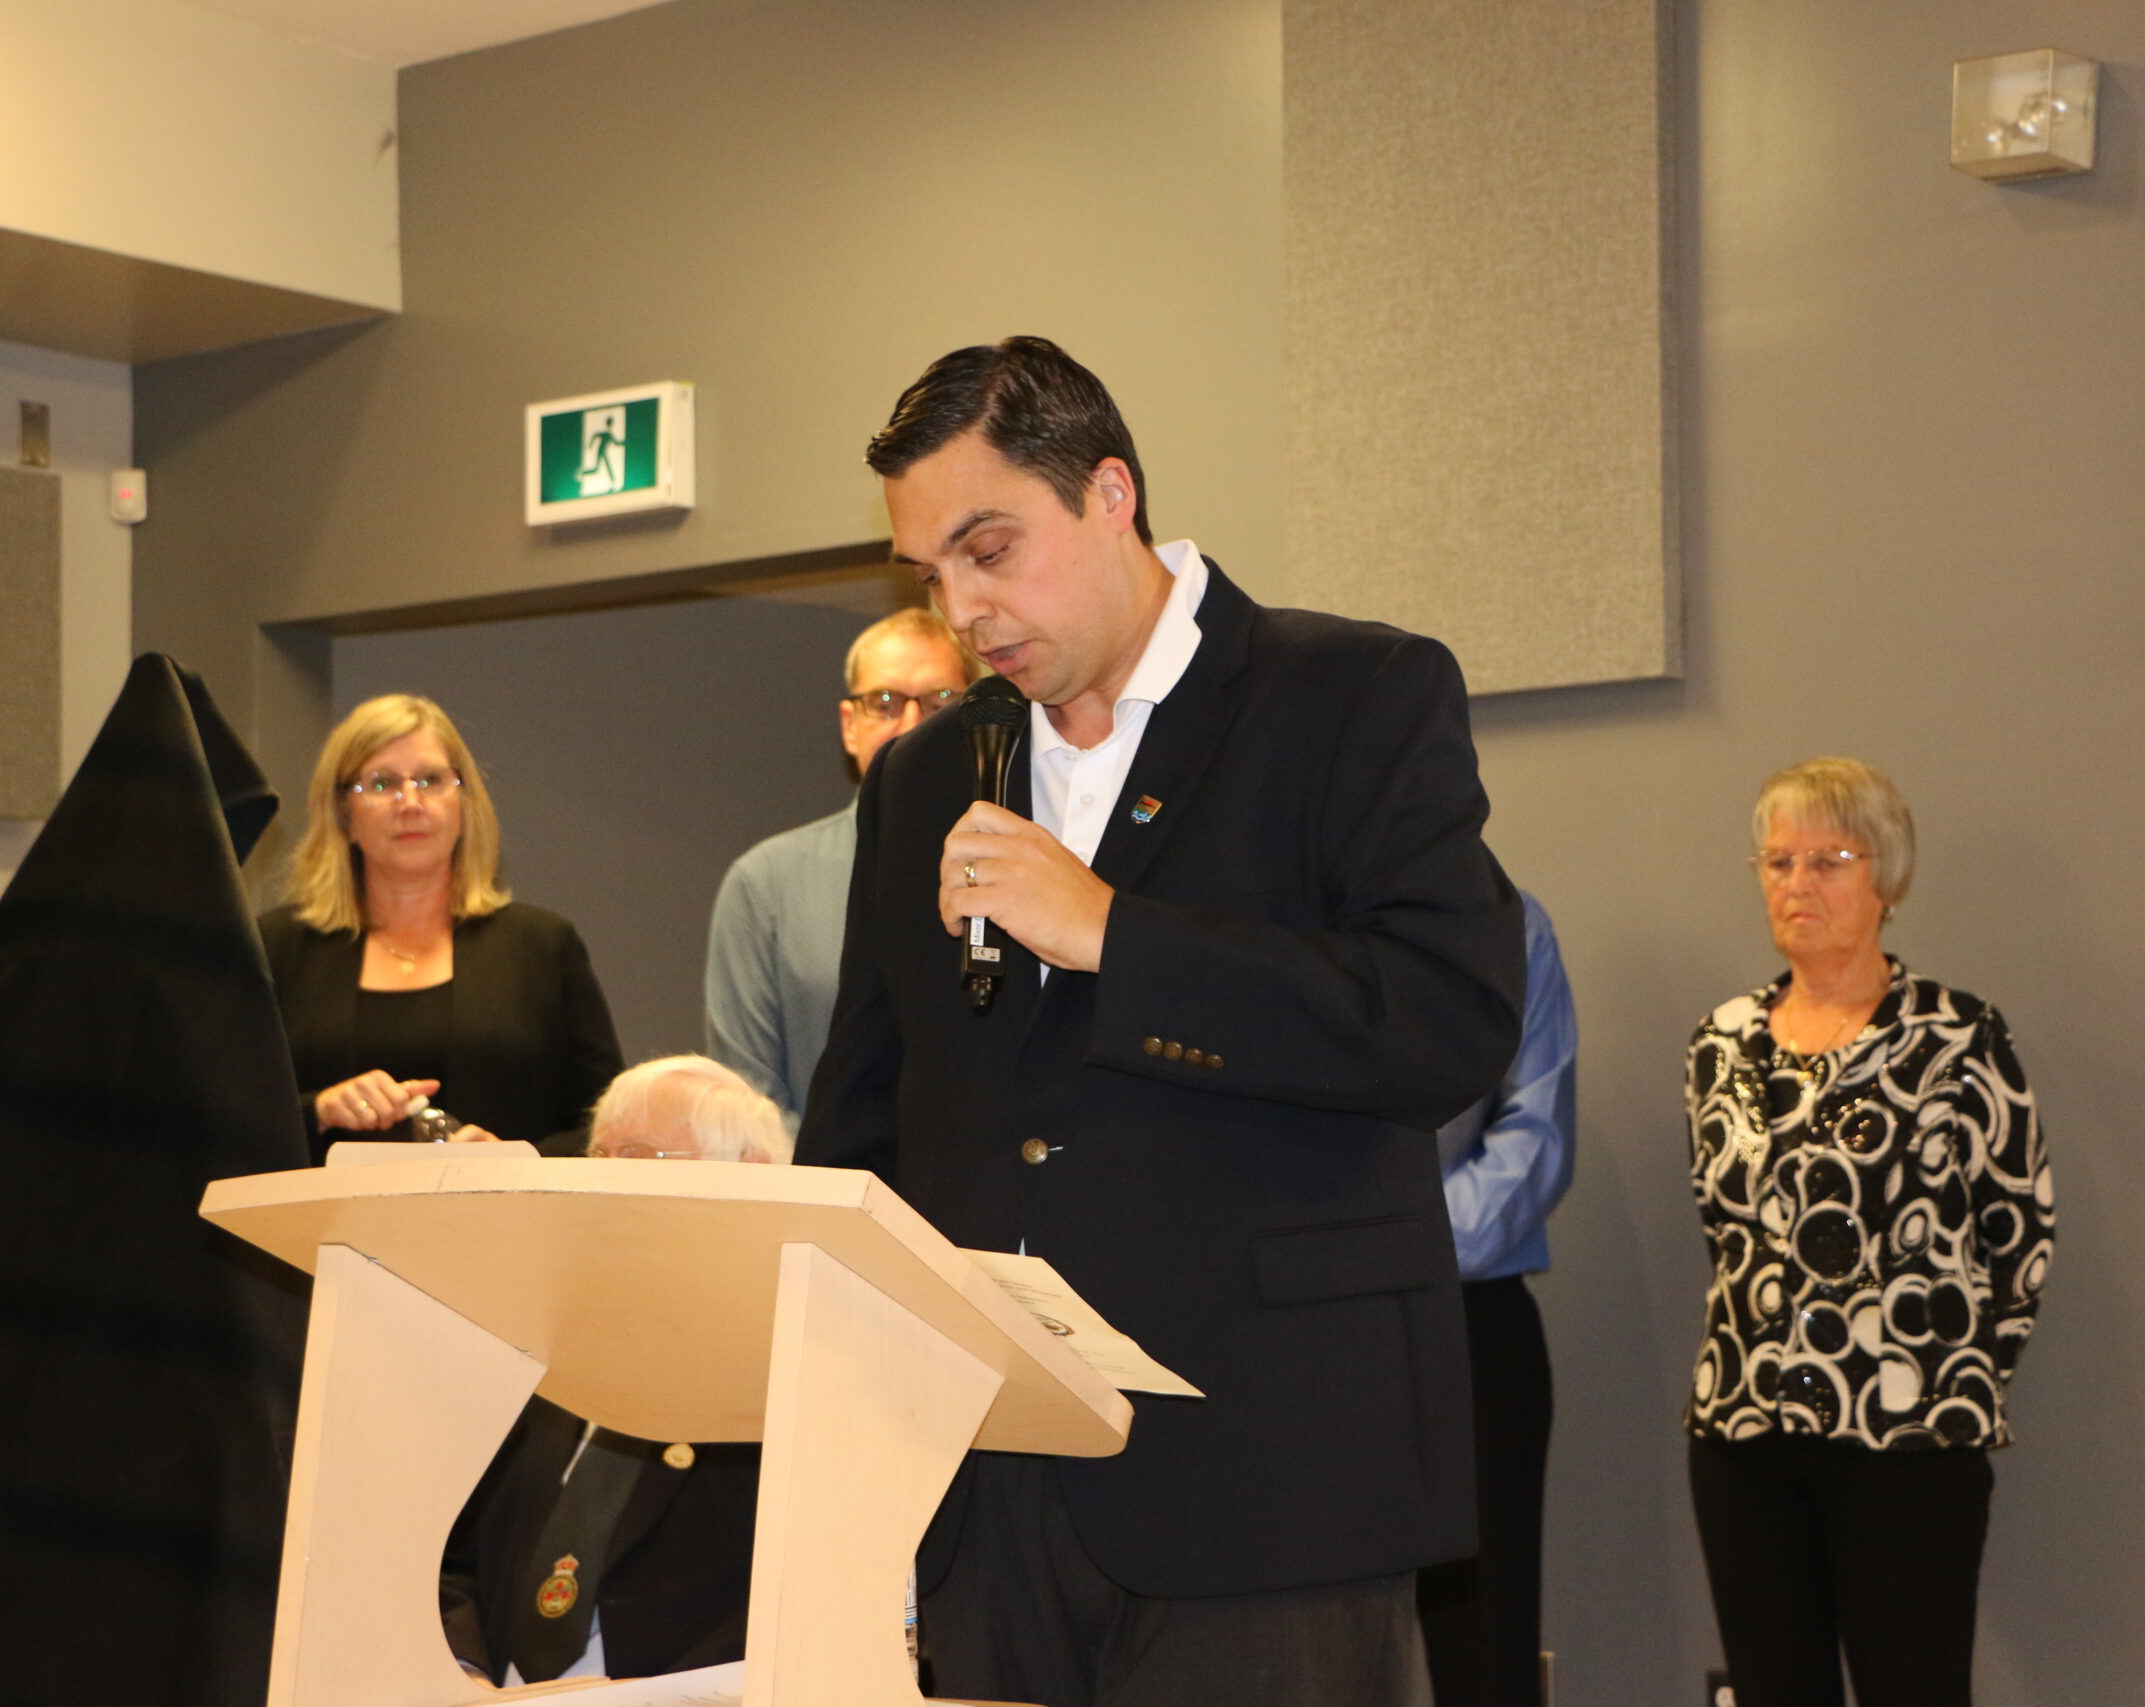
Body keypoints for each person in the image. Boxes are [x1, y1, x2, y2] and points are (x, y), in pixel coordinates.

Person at [798, 336, 1527, 1707]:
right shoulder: (928, 775)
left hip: (1270, 1470)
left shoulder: (1352, 696)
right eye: (930, 574)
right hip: (992, 1488)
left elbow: (1448, 1019)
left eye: (989, 549)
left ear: (1110, 494)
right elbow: (866, 1119)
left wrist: (1114, 936)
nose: (964, 609)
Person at [1683, 757, 2053, 1707]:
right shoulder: (1719, 1042)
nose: (1797, 883)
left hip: (1909, 1439)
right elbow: (1725, 1228)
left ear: (1887, 878)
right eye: (1778, 862)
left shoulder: (1960, 1037)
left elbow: (2019, 1233)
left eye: (1828, 861)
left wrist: (1942, 1373)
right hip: (1744, 1435)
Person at [453, 1056, 785, 1687]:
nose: (601, 1181)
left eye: (637, 1156)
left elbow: (796, 1600)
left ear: (747, 1177)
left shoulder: (779, 1375)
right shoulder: (534, 1345)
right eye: (598, 1157)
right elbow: (447, 1549)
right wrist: (463, 1668)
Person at [258, 692, 624, 1161]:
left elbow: (609, 1127)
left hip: (505, 1208)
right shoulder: (277, 949)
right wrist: (319, 1110)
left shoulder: (544, 947)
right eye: (382, 783)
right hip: (318, 1209)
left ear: (464, 805)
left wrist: (520, 1159)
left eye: (431, 780)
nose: (410, 802)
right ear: (343, 815)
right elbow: (220, 1118)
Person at [704, 608, 975, 1125]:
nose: (911, 725)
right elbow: (747, 1107)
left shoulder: (1021, 865)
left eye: (941, 701)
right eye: (884, 703)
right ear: (850, 726)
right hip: (813, 1174)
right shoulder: (765, 884)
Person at [1418, 891, 1577, 1707]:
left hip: (1469, 1324)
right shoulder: (1269, 903)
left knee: (1483, 1651)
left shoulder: (1506, 919)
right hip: (1298, 1333)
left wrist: (1393, 1245)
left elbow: (1536, 1135)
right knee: (1305, 1651)